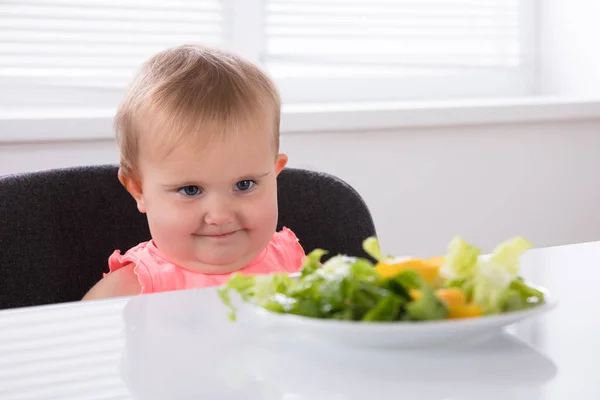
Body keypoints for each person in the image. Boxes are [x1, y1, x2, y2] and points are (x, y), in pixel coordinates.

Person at [83, 44, 305, 300]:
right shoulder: (131, 290)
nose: (220, 216)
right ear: (138, 189)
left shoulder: (298, 269)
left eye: (244, 184)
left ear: (275, 174)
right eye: (190, 190)